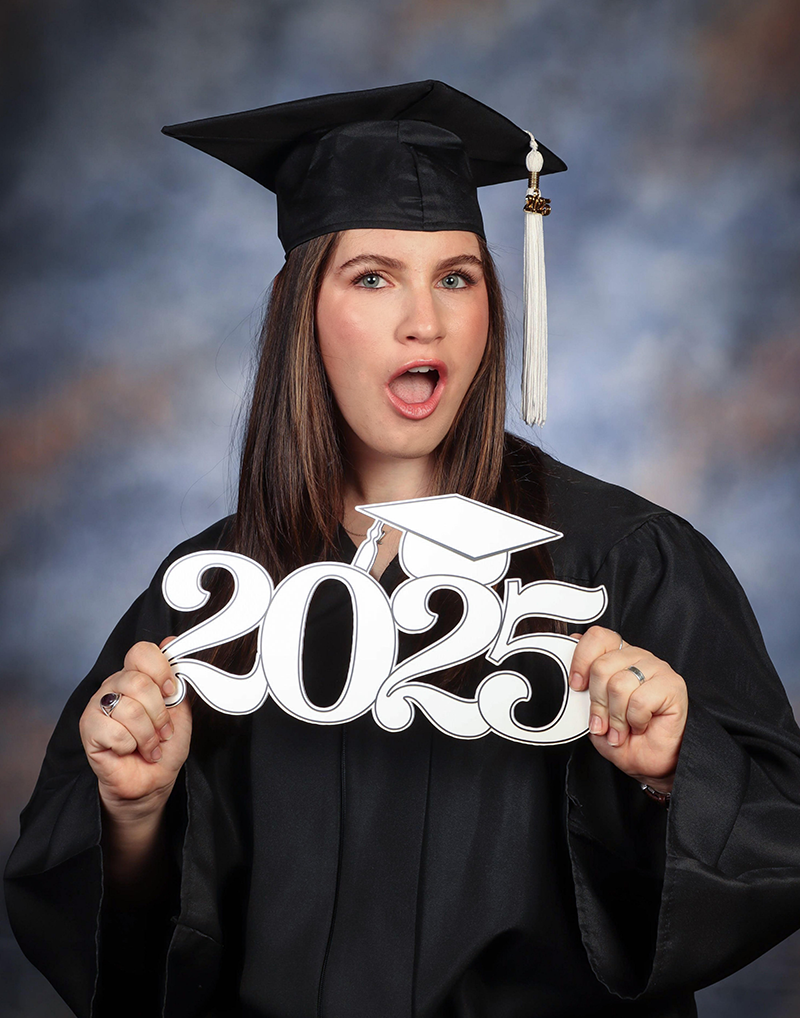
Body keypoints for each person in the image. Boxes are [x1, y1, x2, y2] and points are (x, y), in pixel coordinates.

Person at [6, 81, 800, 1018]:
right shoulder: (214, 599)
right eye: (374, 276)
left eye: (456, 277)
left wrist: (677, 767)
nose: (425, 320)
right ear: (303, 309)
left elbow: (774, 845)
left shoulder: (621, 563)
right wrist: (134, 816)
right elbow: (105, 935)